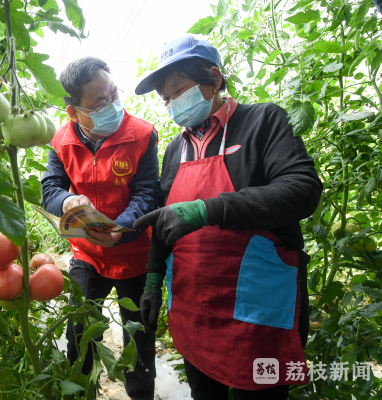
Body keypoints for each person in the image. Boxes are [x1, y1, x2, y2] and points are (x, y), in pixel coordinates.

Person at [133, 35, 323, 400]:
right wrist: (153, 279)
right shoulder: (175, 150)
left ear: (215, 78)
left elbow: (302, 190)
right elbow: (164, 223)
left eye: (178, 91)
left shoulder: (262, 121)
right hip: (195, 308)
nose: (172, 103)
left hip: (258, 308)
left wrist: (207, 209)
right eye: (166, 98)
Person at [41, 57, 160, 400]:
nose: (112, 106)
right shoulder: (61, 141)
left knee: (139, 339)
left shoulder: (141, 135)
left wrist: (121, 228)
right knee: (79, 334)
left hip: (134, 254)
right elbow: (50, 189)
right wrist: (67, 201)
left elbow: (147, 192)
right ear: (73, 111)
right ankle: (81, 393)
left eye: (113, 95)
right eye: (99, 102)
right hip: (87, 253)